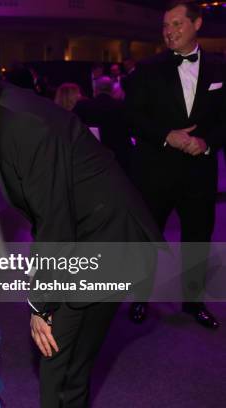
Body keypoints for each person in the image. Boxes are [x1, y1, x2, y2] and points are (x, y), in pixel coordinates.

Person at [0, 37, 162, 408]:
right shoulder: (7, 108)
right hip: (93, 236)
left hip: (105, 242)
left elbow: (55, 220)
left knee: (60, 369)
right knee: (66, 368)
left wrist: (40, 304)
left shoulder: (20, 121)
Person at [126, 0, 226, 328]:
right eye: (166, 26)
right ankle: (140, 298)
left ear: (197, 24)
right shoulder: (147, 68)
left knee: (197, 239)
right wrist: (167, 135)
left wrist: (207, 142)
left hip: (200, 172)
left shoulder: (220, 68)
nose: (169, 32)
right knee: (147, 240)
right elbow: (133, 117)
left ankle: (193, 302)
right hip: (156, 171)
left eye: (177, 24)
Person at [74, 76, 134, 175]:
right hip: (119, 162)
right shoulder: (121, 107)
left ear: (95, 90)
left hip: (90, 159)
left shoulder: (82, 106)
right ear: (112, 90)